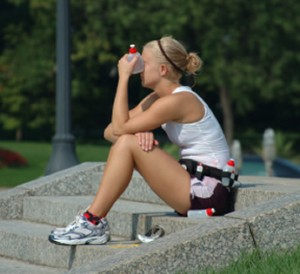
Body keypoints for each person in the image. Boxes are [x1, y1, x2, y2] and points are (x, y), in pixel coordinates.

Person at [48, 36, 231, 245]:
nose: (138, 68)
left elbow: (119, 129)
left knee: (127, 142)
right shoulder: (157, 98)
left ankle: (92, 221)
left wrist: (123, 78)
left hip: (209, 193)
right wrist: (136, 133)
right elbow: (110, 131)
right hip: (192, 182)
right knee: (127, 140)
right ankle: (93, 222)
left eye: (144, 63)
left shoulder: (180, 100)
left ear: (162, 70)